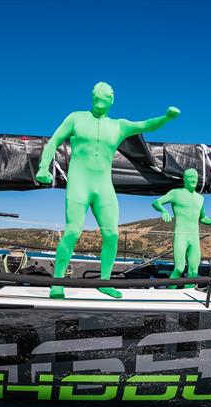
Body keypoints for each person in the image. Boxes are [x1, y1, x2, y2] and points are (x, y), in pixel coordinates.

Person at [36, 82, 180, 299]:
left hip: (104, 187)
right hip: (79, 184)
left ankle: (104, 282)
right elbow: (54, 140)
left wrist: (166, 117)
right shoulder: (76, 117)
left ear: (112, 101)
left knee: (111, 234)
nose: (99, 103)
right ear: (91, 98)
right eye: (96, 99)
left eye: (103, 100)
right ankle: (57, 283)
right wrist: (42, 167)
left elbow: (146, 125)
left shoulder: (119, 126)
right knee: (73, 232)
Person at [152, 169, 211, 287]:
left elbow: (203, 218)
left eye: (195, 176)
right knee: (179, 268)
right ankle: (170, 292)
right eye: (190, 176)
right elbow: (156, 202)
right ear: (184, 179)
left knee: (194, 271)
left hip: (194, 238)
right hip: (181, 236)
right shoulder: (175, 193)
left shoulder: (200, 198)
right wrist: (163, 211)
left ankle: (188, 293)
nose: (193, 179)